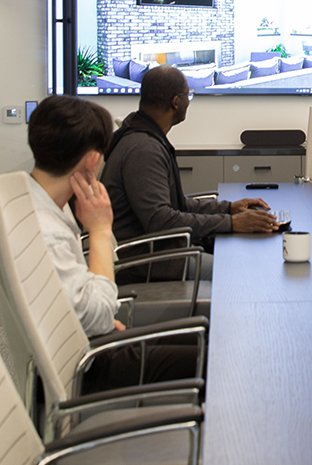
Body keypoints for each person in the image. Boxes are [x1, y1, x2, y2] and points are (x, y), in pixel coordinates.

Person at [21, 94, 199, 388]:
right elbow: (100, 315)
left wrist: (99, 320)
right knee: (212, 353)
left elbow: (84, 307)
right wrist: (101, 230)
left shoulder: (39, 203)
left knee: (197, 340)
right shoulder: (48, 230)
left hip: (82, 345)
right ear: (93, 160)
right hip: (90, 367)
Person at [101, 64, 279, 281]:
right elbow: (162, 220)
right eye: (189, 95)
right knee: (242, 268)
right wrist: (232, 223)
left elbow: (174, 205)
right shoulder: (143, 149)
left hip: (161, 251)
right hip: (151, 264)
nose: (188, 101)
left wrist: (229, 208)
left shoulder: (144, 136)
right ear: (176, 102)